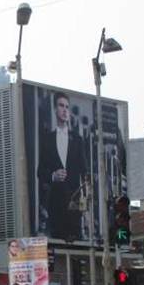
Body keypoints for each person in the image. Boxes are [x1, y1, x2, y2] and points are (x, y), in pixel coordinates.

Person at [38, 92, 85, 241]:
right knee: (57, 242)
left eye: (67, 107)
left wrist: (86, 201)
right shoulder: (47, 139)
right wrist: (53, 176)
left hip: (75, 203)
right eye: (61, 106)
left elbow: (85, 171)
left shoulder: (77, 139)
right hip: (55, 203)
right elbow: (40, 171)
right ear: (55, 109)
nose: (65, 110)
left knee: (77, 243)